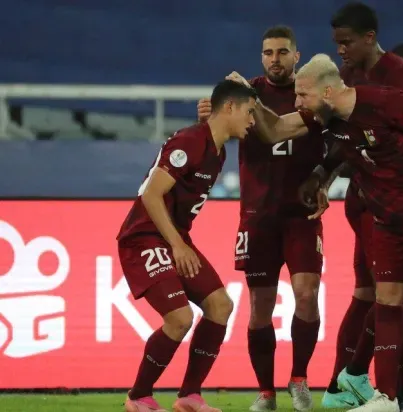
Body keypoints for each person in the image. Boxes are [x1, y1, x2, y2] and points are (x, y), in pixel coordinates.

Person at [226, 51, 403, 412]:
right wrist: (319, 176)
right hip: (385, 218)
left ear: (327, 92)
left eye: (303, 95)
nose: (298, 103)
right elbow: (278, 129)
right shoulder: (327, 116)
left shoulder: (385, 102)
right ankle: (386, 397)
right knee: (387, 301)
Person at [291, 4, 403, 411]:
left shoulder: (399, 77)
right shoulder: (346, 78)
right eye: (337, 43)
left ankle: (350, 383)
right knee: (396, 295)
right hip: (371, 203)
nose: (341, 50)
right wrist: (322, 173)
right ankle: (399, 392)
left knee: (376, 296)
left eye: (346, 42)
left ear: (370, 38)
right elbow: (345, 140)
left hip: (395, 202)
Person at [197, 26, 325, 412]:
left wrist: (323, 180)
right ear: (261, 57)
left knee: (307, 294)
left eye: (283, 52)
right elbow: (217, 132)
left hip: (302, 214)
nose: (275, 59)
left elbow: (304, 136)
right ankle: (266, 392)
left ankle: (299, 378)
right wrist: (208, 118)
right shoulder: (243, 93)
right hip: (258, 217)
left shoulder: (310, 93)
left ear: (297, 56)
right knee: (260, 306)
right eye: (268, 52)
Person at [117, 80, 257, 412]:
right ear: (229, 107)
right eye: (250, 112)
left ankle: (189, 396)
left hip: (173, 237)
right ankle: (138, 397)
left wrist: (179, 243)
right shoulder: (190, 141)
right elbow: (151, 196)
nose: (253, 121)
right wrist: (178, 246)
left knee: (220, 306)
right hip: (144, 237)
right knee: (180, 318)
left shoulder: (218, 151)